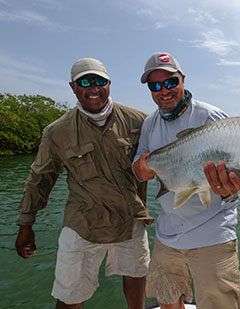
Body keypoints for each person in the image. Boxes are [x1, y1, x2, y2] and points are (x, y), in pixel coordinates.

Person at [15, 58, 153, 309]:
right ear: (73, 87)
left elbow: (171, 158)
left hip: (130, 219)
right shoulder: (57, 131)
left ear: (109, 84)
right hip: (83, 224)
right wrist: (26, 223)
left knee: (136, 276)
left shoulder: (140, 122)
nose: (94, 88)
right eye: (85, 82)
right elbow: (40, 179)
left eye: (100, 81)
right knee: (69, 295)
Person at [133, 52, 240, 309]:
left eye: (170, 82)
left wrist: (230, 187)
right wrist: (142, 167)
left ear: (182, 79)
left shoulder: (211, 117)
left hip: (212, 235)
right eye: (155, 85)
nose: (164, 90)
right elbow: (139, 168)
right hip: (167, 235)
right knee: (167, 300)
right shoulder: (150, 123)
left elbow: (237, 176)